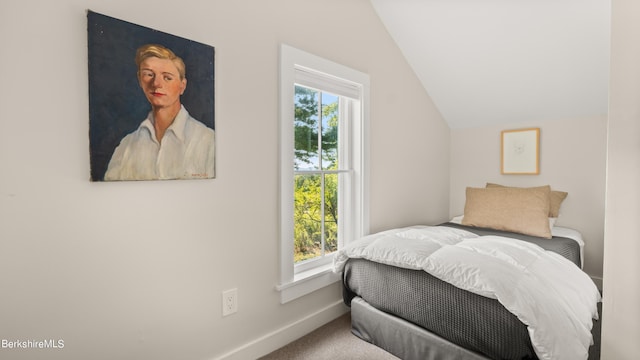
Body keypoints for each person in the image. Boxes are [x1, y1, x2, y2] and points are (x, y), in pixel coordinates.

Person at [105, 44, 215, 181]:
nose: (156, 83)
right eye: (149, 74)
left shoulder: (208, 141)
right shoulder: (127, 146)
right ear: (140, 80)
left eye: (167, 77)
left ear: (182, 86)